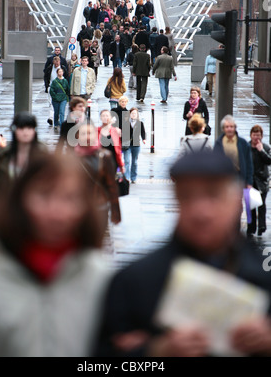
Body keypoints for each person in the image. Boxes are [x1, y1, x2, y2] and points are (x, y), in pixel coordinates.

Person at [96, 151, 271, 357]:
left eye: (213, 194)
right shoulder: (132, 281)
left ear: (235, 202)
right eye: (187, 196)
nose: (201, 211)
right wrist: (155, 351)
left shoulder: (264, 277)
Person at [0, 151, 111, 357]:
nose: (57, 212)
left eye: (70, 198)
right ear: (20, 199)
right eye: (44, 195)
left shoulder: (100, 275)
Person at [0, 112, 44, 205]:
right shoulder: (3, 154)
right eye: (21, 128)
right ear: (14, 130)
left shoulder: (42, 153)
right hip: (8, 207)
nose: (25, 132)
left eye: (29, 128)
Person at [74, 122, 121, 226]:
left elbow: (111, 185)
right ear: (77, 136)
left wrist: (115, 211)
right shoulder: (71, 158)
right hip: (77, 208)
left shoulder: (104, 156)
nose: (87, 136)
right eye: (83, 133)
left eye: (90, 133)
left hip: (99, 207)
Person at [214, 115, 253, 188]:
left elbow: (249, 164)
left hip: (239, 178)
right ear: (223, 129)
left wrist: (249, 182)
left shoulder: (243, 143)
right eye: (227, 127)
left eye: (231, 127)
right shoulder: (218, 143)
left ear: (235, 128)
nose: (229, 129)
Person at [247, 125, 271, 237]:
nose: (256, 137)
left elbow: (268, 161)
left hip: (262, 180)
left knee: (261, 204)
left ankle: (261, 226)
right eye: (254, 135)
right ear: (251, 135)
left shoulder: (265, 147)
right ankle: (251, 227)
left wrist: (261, 151)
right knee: (250, 205)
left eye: (258, 135)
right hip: (250, 180)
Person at [122, 108, 146, 184]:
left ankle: (133, 178)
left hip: (136, 145)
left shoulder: (140, 123)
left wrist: (144, 139)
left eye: (135, 113)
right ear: (129, 114)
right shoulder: (125, 123)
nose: (133, 115)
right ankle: (126, 177)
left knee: (134, 162)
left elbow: (143, 132)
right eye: (132, 113)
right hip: (127, 145)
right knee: (127, 161)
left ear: (137, 115)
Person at [98, 110, 125, 175]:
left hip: (112, 162)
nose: (105, 117)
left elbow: (118, 150)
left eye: (107, 116)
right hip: (99, 162)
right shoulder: (96, 131)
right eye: (103, 116)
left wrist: (121, 165)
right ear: (100, 118)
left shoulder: (115, 131)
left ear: (110, 118)